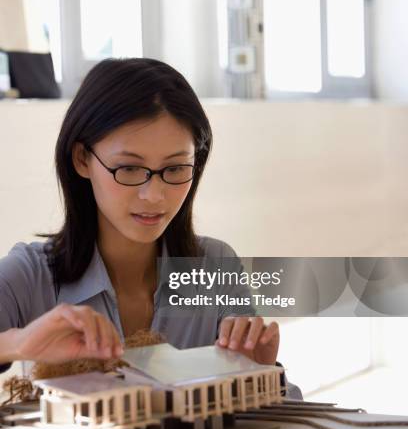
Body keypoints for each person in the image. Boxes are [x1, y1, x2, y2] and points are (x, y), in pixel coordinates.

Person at [0, 58, 301, 399]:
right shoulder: (30, 275)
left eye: (175, 168)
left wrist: (259, 376)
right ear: (82, 159)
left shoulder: (215, 264)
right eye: (129, 168)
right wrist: (18, 343)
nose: (154, 196)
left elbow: (276, 417)